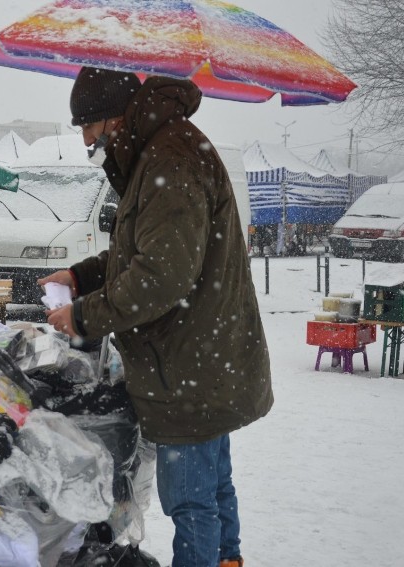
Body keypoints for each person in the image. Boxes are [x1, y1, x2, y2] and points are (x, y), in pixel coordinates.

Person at [39, 67, 274, 567]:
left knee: (191, 500)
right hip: (204, 361)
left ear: (114, 118)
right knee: (213, 486)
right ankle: (227, 561)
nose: (86, 140)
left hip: (187, 370)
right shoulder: (163, 151)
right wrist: (82, 276)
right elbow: (145, 255)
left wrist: (83, 316)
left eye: (88, 127)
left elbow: (161, 277)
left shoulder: (169, 157)